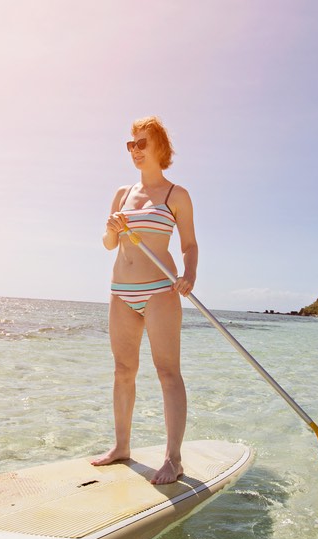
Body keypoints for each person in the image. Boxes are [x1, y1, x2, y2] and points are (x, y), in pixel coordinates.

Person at [92, 116, 198, 485]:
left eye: (141, 143)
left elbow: (189, 244)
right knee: (123, 371)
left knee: (167, 372)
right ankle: (121, 446)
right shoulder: (122, 193)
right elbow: (109, 245)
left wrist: (190, 275)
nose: (134, 150)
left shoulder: (175, 195)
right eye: (130, 144)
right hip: (121, 292)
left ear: (160, 148)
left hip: (160, 291)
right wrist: (111, 230)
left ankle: (174, 459)